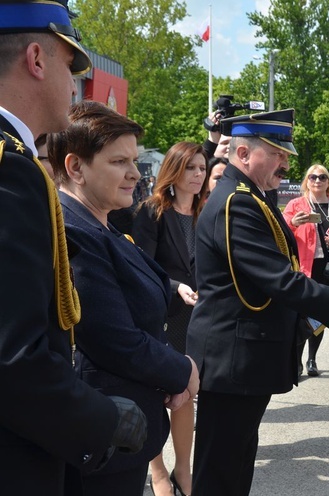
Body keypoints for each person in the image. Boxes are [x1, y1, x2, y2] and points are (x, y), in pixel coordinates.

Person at [186, 109, 329, 496]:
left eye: (286, 154)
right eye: (277, 152)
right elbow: (283, 282)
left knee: (233, 468)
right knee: (219, 475)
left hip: (240, 361)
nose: (287, 162)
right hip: (232, 361)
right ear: (244, 153)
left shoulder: (251, 196)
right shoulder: (238, 203)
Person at [0, 2, 146, 493]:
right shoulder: (11, 169)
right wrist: (100, 421)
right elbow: (12, 357)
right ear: (37, 59)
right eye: (71, 65)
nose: (77, 85)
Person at [46, 100, 200, 495]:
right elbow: (113, 338)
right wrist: (181, 370)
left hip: (126, 433)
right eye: (119, 162)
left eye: (134, 160)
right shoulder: (74, 233)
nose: (135, 173)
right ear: (76, 167)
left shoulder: (104, 226)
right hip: (102, 439)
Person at [132, 141, 208, 496]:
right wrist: (176, 286)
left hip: (198, 315)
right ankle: (158, 470)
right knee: (157, 394)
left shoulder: (206, 212)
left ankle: (183, 469)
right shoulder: (151, 211)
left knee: (186, 392)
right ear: (174, 171)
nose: (197, 175)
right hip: (163, 313)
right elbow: (144, 265)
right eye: (190, 168)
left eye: (202, 168)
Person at [283, 164, 329, 377]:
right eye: (313, 177)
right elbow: (281, 232)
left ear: (328, 181)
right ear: (306, 181)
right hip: (304, 267)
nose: (317, 180)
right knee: (300, 315)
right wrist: (293, 224)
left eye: (322, 177)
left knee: (320, 316)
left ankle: (312, 360)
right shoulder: (296, 204)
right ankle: (295, 361)